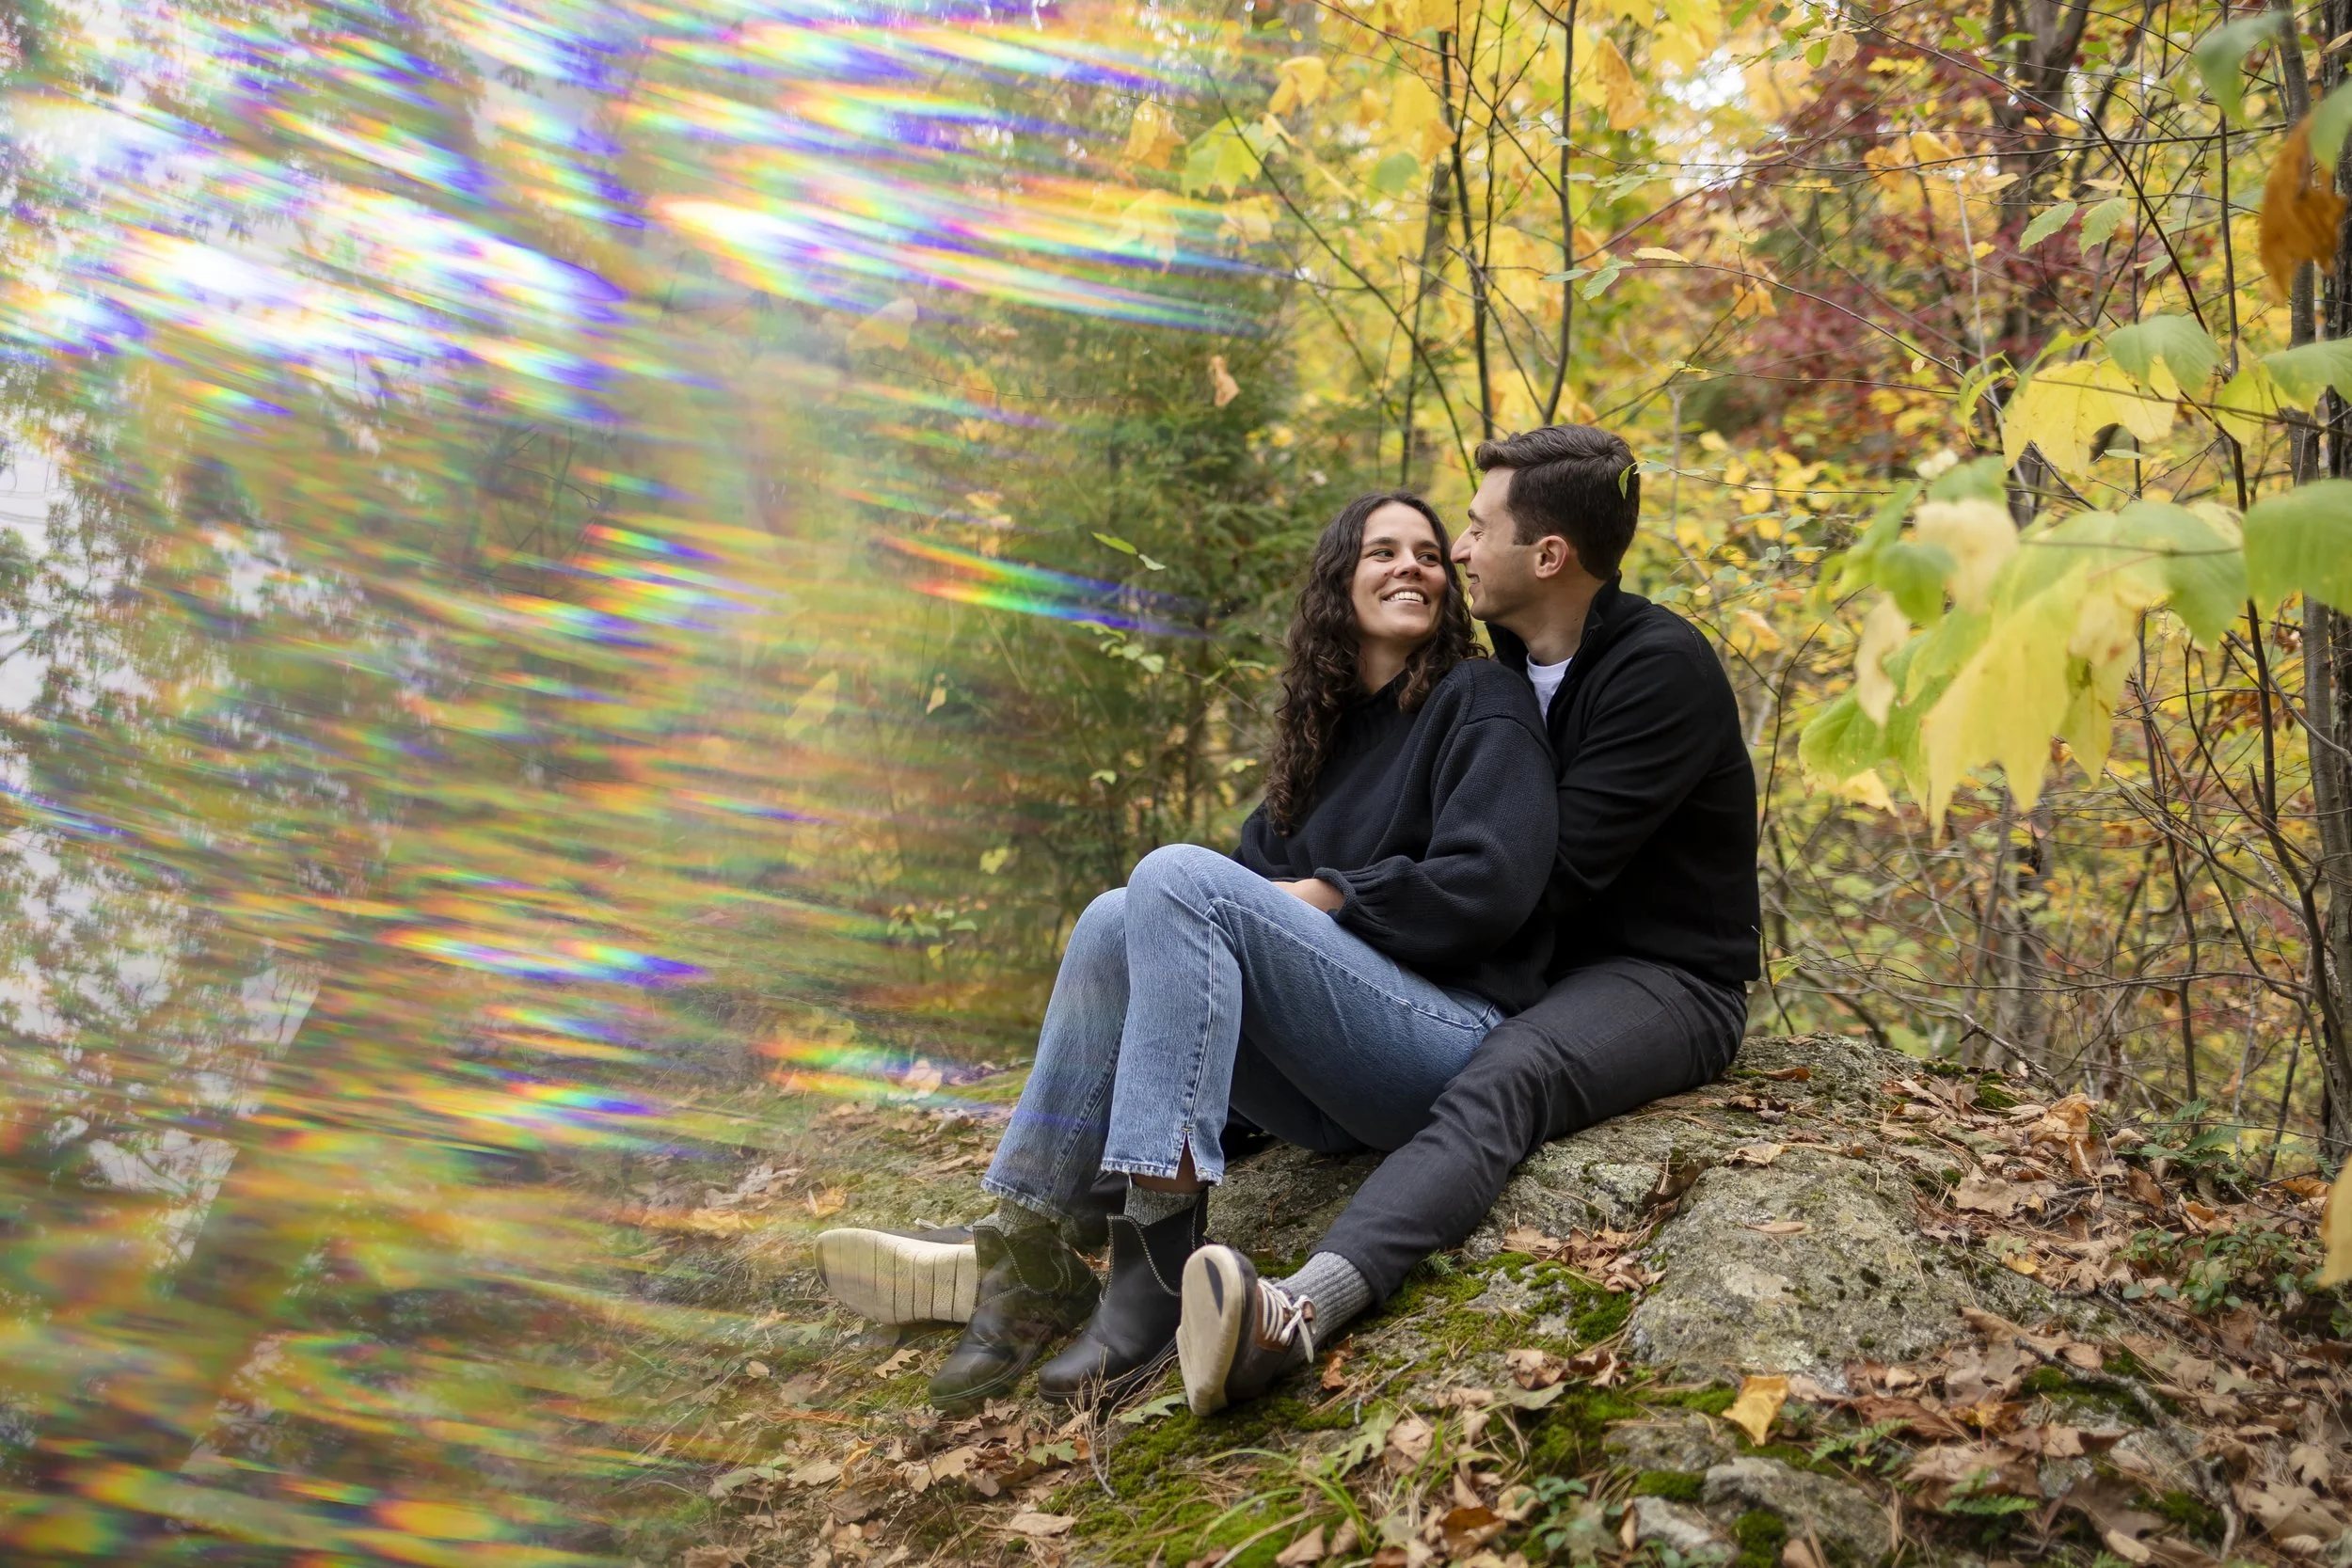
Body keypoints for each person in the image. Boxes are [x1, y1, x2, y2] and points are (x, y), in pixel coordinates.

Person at [913, 490, 1559, 1412]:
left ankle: (1157, 1268)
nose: (1411, 564)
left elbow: (1491, 883)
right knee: (1113, 915)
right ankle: (1023, 1248)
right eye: (1382, 550)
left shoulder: (1479, 698)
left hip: (1448, 1037)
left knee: (1172, 874)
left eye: (1426, 551)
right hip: (1330, 1084)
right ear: (1339, 582)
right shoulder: (1319, 740)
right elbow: (1202, 951)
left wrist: (1333, 894)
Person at [1177, 424, 1760, 1415]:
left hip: (1662, 976)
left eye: (1478, 527)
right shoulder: (1503, 659)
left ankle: (1297, 1312)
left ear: (1548, 555)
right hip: (1535, 968)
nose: (1457, 549)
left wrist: (1327, 906)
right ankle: (1054, 1236)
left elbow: (1536, 876)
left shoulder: (1658, 667)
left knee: (1509, 1076)